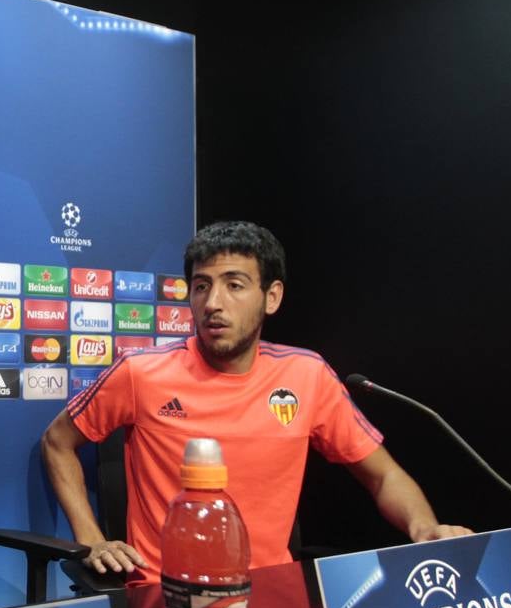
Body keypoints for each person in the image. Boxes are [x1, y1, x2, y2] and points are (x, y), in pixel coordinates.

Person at [41, 220, 469, 583]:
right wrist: (92, 541)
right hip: (162, 597)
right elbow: (58, 443)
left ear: (272, 297)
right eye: (201, 286)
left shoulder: (308, 375)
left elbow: (383, 476)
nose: (213, 303)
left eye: (234, 286)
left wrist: (424, 528)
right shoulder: (140, 372)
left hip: (271, 598)